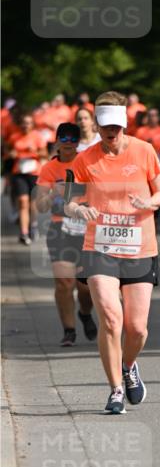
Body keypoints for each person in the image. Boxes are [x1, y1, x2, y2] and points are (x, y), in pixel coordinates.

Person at [65, 91, 160, 414]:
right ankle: (115, 390)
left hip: (140, 246)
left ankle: (128, 364)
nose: (111, 132)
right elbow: (68, 201)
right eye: (105, 126)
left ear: (125, 124)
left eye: (117, 126)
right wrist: (79, 211)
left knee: (137, 328)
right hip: (99, 248)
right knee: (111, 318)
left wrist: (150, 203)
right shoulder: (84, 159)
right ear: (96, 125)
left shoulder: (145, 151)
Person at [35, 121, 98, 346]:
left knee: (86, 286)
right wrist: (53, 194)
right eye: (64, 139)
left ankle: (85, 313)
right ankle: (69, 330)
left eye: (73, 139)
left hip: (85, 227)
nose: (69, 143)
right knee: (64, 282)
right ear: (57, 142)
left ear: (78, 142)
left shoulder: (87, 162)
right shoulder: (49, 169)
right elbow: (40, 206)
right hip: (60, 227)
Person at [7, 112, 48, 244]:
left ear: (32, 124)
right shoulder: (14, 137)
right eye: (24, 123)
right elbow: (7, 152)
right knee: (23, 201)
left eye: (29, 123)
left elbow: (45, 154)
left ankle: (33, 225)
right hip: (19, 173)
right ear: (20, 124)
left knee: (32, 204)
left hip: (34, 173)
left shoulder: (37, 137)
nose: (26, 125)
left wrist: (34, 152)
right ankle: (23, 232)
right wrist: (11, 154)